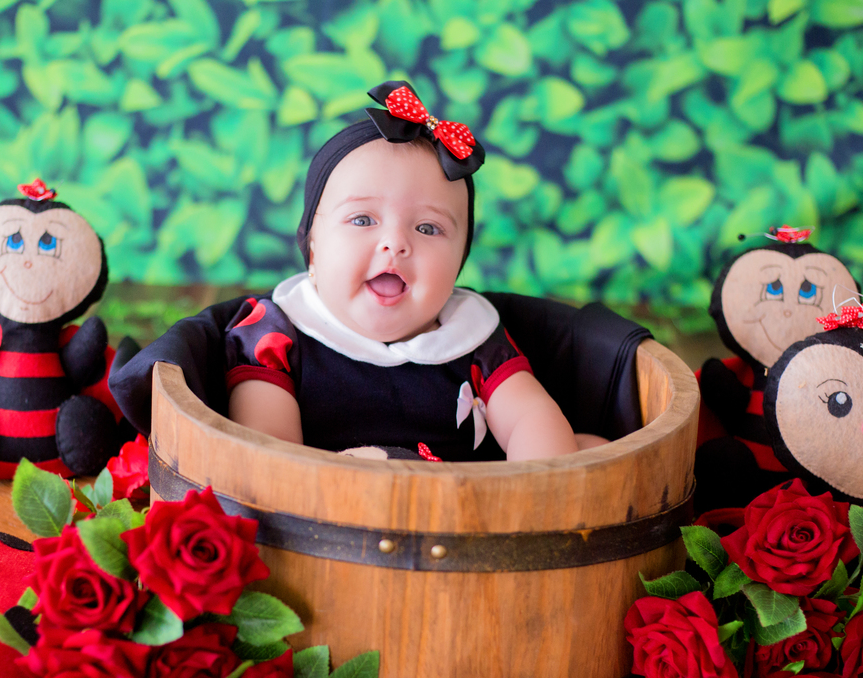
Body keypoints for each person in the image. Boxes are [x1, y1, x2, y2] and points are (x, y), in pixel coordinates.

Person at [223, 81, 605, 462]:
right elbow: (270, 457)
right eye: (362, 219)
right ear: (312, 250)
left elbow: (530, 419)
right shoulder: (276, 335)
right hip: (326, 507)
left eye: (427, 228)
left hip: (466, 509)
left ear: (458, 266)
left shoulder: (474, 341)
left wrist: (536, 488)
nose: (395, 243)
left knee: (588, 449)